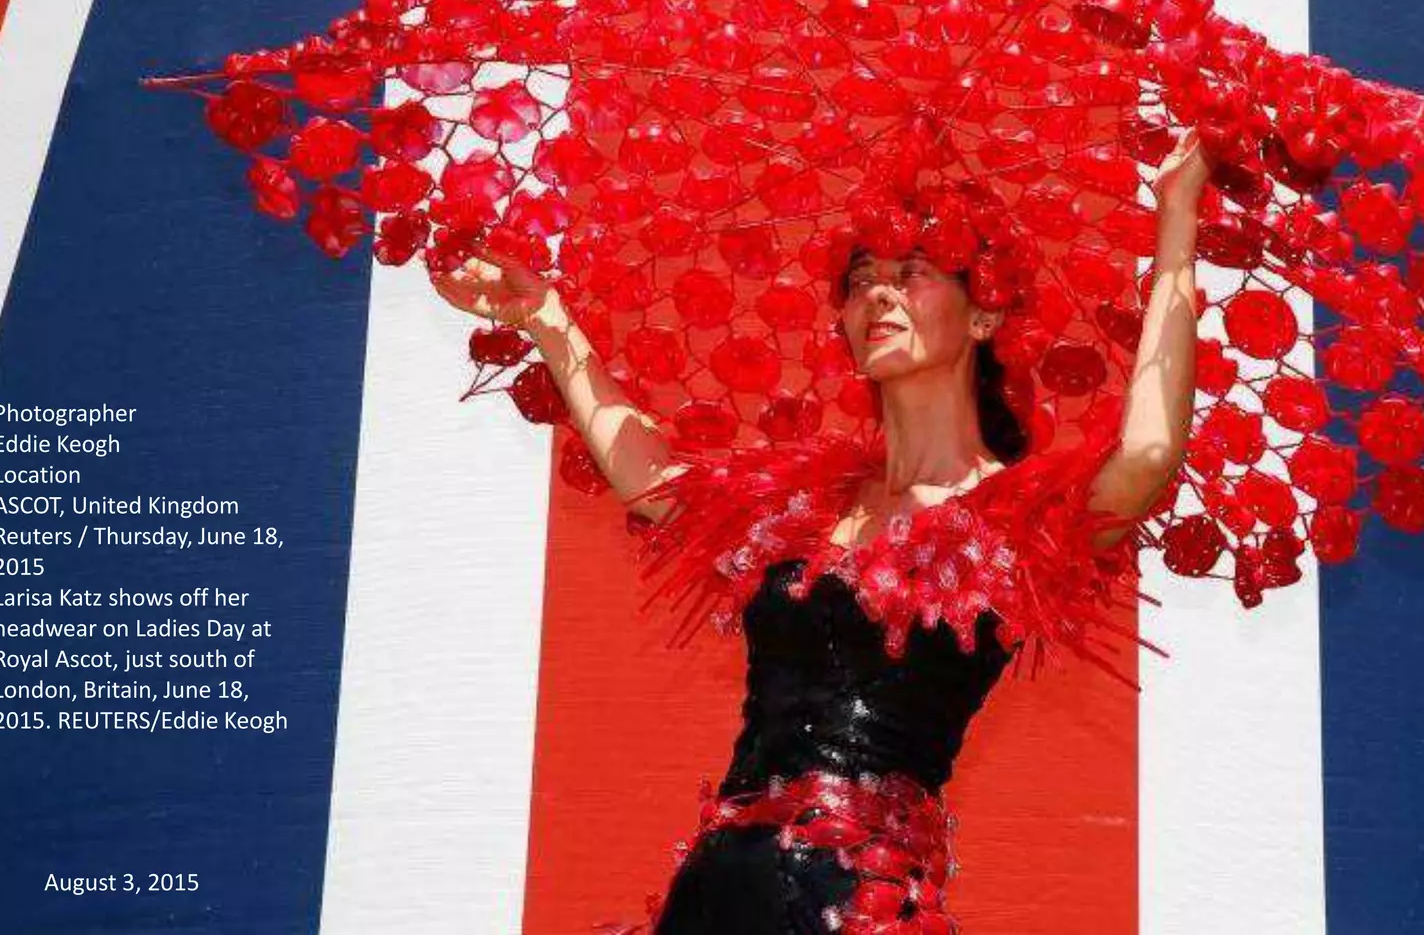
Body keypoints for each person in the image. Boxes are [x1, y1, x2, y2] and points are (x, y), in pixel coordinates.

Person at [428, 130, 1215, 933]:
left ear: (983, 313)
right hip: (716, 892)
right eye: (862, 281)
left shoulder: (1016, 521)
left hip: (856, 903)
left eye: (912, 275)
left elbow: (1149, 452)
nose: (879, 295)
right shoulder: (803, 504)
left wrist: (1176, 218)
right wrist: (547, 317)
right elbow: (657, 484)